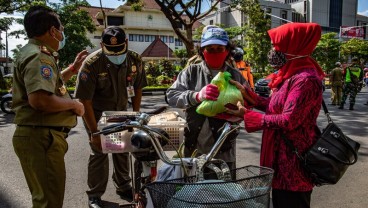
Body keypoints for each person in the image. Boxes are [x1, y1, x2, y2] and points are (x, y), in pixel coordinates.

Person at [227, 23, 324, 208]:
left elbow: (288, 120)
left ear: (294, 46)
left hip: (292, 166)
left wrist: (248, 115)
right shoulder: (291, 75)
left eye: (276, 46)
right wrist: (252, 97)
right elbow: (276, 107)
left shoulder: (305, 80)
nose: (272, 51)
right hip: (280, 161)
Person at [12, 6, 86, 208]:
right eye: (61, 28)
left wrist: (72, 69)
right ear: (52, 31)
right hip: (42, 138)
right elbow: (40, 100)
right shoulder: (40, 56)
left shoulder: (33, 52)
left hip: (39, 136)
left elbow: (50, 84)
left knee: (44, 199)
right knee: (49, 202)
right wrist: (74, 105)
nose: (62, 34)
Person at [74, 26, 147, 208]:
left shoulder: (134, 60)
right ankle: (95, 195)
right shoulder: (92, 63)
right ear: (101, 45)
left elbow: (137, 88)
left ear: (126, 43)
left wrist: (135, 116)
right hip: (97, 114)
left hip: (122, 112)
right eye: (111, 50)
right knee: (99, 151)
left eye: (118, 49)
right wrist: (94, 132)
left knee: (121, 149)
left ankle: (123, 186)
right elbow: (85, 100)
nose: (115, 54)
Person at [166, 27, 249, 171]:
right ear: (202, 51)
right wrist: (196, 96)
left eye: (219, 48)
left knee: (223, 190)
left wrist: (239, 112)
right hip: (193, 148)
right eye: (210, 49)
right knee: (192, 190)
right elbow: (171, 96)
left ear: (227, 50)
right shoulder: (191, 72)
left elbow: (249, 104)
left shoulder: (236, 76)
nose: (215, 52)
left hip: (224, 151)